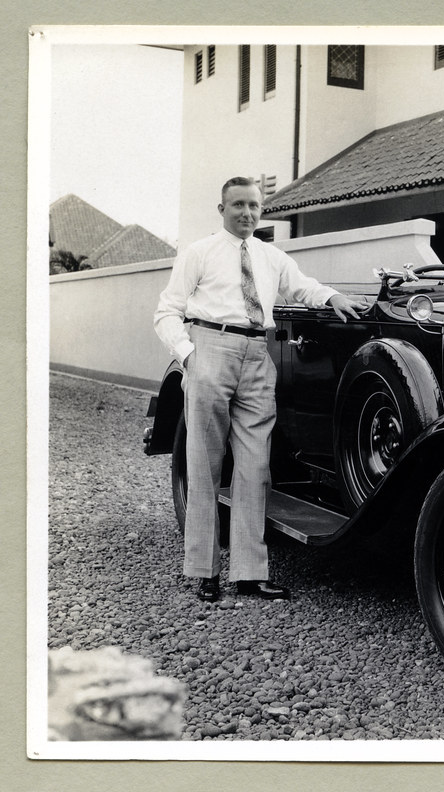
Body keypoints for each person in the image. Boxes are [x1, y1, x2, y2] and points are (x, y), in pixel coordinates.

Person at [154, 177, 366, 602]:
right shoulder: (199, 253)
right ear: (222, 209)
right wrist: (189, 356)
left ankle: (250, 574)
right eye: (238, 205)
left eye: (253, 205)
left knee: (256, 468)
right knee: (205, 464)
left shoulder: (271, 256)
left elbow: (302, 286)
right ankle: (205, 572)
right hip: (210, 347)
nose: (247, 213)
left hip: (256, 354)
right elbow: (167, 311)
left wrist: (332, 298)